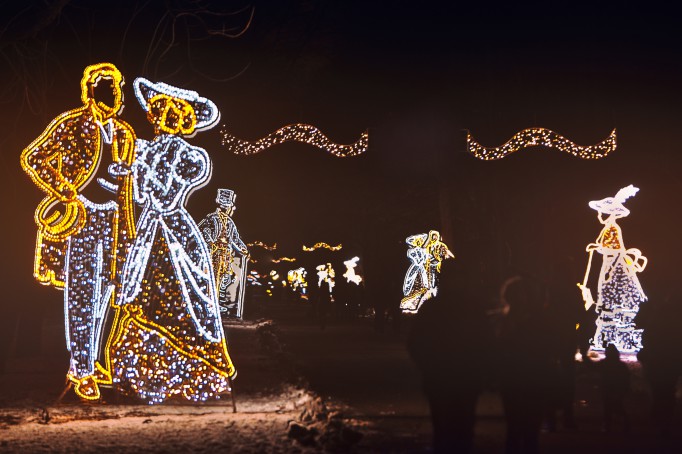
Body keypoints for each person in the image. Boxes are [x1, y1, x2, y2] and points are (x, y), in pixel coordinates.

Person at [108, 78, 236, 404]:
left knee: (182, 296)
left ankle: (192, 375)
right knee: (142, 295)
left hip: (174, 230)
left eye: (173, 113)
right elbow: (141, 196)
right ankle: (140, 377)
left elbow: (165, 198)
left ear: (184, 121)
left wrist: (140, 167)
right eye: (160, 111)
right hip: (149, 228)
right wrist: (132, 171)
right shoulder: (146, 150)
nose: (164, 118)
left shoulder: (190, 156)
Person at [20, 63, 137, 400]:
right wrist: (66, 190)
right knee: (82, 294)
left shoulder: (124, 133)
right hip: (81, 217)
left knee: (107, 292)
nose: (116, 94)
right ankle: (82, 368)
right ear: (92, 92)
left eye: (118, 89)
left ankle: (91, 361)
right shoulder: (72, 124)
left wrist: (129, 229)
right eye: (109, 88)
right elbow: (34, 157)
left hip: (114, 219)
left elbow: (127, 188)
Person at [408, 260, 492, 453]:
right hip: (458, 378)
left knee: (447, 427)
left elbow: (415, 343)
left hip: (449, 378)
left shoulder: (434, 308)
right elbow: (487, 343)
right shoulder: (471, 308)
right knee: (459, 427)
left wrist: (428, 367)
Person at [579, 185, 647, 353]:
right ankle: (608, 338)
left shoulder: (613, 228)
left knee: (611, 297)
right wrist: (597, 247)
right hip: (610, 264)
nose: (599, 215)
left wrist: (597, 247)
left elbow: (615, 248)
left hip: (614, 265)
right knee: (608, 298)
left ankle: (614, 338)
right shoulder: (608, 227)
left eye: (602, 212)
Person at [198, 189, 250, 318]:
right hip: (213, 255)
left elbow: (235, 238)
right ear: (224, 206)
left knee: (223, 279)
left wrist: (244, 249)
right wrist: (211, 244)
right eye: (229, 206)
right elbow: (204, 231)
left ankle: (216, 301)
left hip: (226, 256)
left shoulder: (230, 222)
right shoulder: (211, 218)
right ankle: (209, 303)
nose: (231, 209)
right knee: (212, 279)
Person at [598, 344, 631, 432]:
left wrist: (585, 357)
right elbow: (626, 379)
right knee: (616, 407)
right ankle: (625, 425)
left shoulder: (604, 363)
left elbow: (593, 367)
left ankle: (608, 426)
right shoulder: (621, 365)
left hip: (608, 389)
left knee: (609, 408)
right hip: (616, 390)